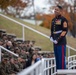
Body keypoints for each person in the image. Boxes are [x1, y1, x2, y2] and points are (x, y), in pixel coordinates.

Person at [50, 5, 68, 70]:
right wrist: (51, 37)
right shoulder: (53, 20)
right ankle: (58, 72)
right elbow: (52, 30)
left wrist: (58, 39)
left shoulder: (64, 19)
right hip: (55, 42)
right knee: (57, 59)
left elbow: (64, 31)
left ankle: (63, 73)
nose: (55, 11)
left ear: (61, 11)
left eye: (57, 10)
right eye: (55, 9)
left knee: (61, 60)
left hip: (61, 42)